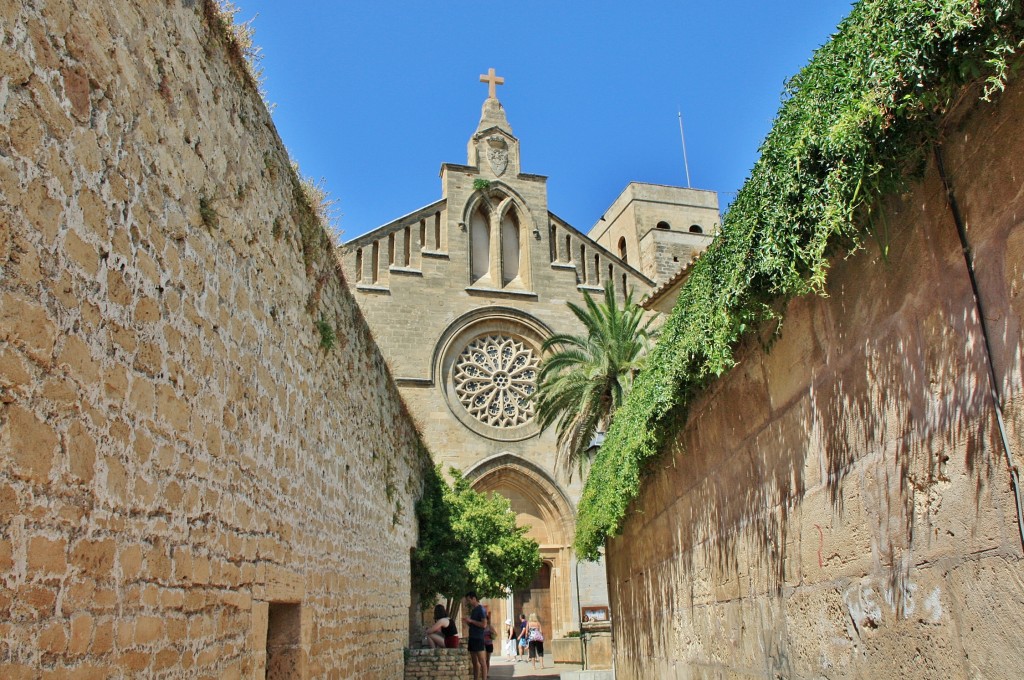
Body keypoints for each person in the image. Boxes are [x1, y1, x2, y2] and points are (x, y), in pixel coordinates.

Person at [462, 591, 488, 680]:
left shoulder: (481, 609)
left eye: (469, 600)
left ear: (474, 598)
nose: (468, 602)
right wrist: (468, 622)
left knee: (482, 661)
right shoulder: (473, 610)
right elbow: (474, 624)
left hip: (478, 638)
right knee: (474, 662)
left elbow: (484, 625)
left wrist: (471, 621)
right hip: (472, 637)